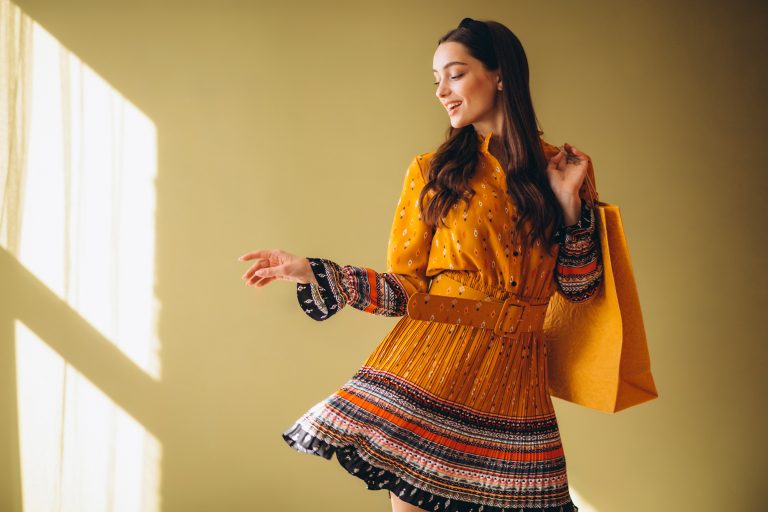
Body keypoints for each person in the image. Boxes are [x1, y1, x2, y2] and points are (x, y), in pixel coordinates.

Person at [238, 17, 602, 512]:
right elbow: (406, 287)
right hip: (433, 365)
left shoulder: (563, 169)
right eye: (436, 80)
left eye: (454, 74)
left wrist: (570, 209)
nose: (442, 91)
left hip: (517, 381)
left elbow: (579, 290)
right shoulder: (432, 172)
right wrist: (315, 272)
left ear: (501, 75)